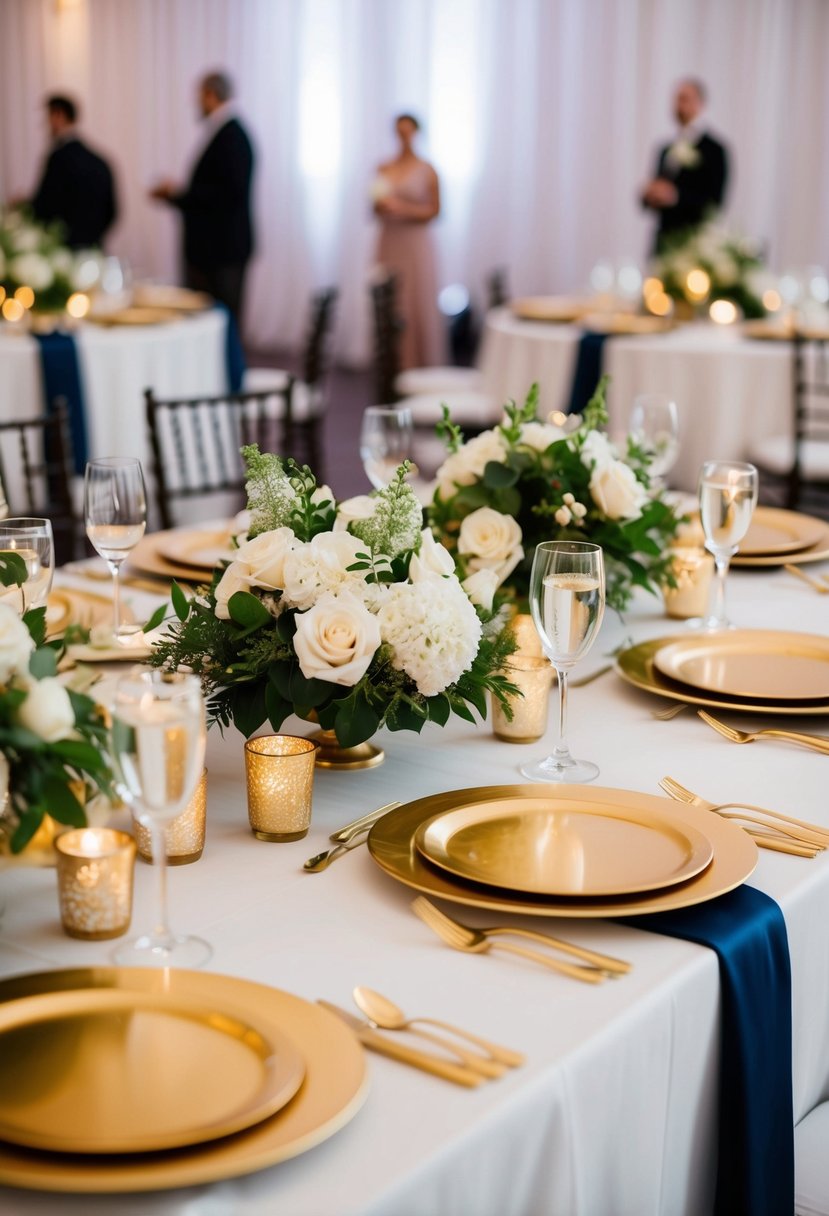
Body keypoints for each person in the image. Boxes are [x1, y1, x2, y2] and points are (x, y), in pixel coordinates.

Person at [150, 71, 254, 326]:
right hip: (214, 249)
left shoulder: (233, 136)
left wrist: (177, 194)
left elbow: (227, 194)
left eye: (198, 96)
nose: (195, 103)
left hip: (222, 250)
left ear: (210, 95)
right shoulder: (225, 133)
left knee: (221, 323)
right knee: (211, 322)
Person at [373, 114, 446, 369]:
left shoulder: (428, 170)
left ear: (416, 133)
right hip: (390, 240)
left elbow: (435, 211)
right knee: (389, 300)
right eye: (399, 131)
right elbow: (374, 206)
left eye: (408, 132)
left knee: (415, 300)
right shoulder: (384, 167)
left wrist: (403, 209)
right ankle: (390, 363)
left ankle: (419, 362)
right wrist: (381, 207)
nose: (403, 137)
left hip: (415, 243)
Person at [641, 79, 729, 252]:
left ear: (700, 104)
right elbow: (649, 197)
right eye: (676, 99)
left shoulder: (714, 150)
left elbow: (715, 203)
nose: (678, 105)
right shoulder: (665, 148)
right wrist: (650, 194)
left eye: (684, 99)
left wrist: (675, 196)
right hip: (663, 242)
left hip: (694, 243)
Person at [29, 95, 118, 249]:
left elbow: (45, 206)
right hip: (94, 250)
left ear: (58, 115)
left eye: (48, 118)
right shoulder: (100, 161)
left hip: (63, 253)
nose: (46, 126)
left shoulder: (58, 159)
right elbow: (112, 212)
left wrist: (24, 207)